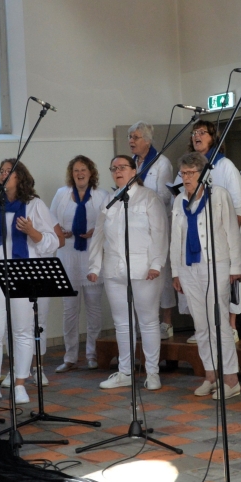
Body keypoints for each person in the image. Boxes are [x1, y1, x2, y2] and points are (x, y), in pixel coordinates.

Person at [0, 159, 59, 405]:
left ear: (20, 177)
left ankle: (20, 384)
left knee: (22, 330)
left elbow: (53, 242)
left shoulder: (34, 205)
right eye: (1, 171)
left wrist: (32, 232)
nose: (4, 174)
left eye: (9, 171)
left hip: (23, 270)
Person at [87, 155, 169, 390]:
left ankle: (152, 372)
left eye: (122, 167)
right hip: (114, 269)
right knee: (122, 324)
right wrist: (94, 266)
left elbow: (160, 233)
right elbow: (98, 235)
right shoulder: (110, 200)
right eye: (113, 168)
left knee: (148, 322)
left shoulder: (148, 198)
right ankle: (125, 372)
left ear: (134, 171)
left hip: (145, 269)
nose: (117, 171)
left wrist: (157, 264)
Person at [170, 152, 241, 399]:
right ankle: (211, 376)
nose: (186, 178)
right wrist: (175, 271)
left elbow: (232, 231)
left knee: (218, 322)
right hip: (189, 267)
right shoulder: (179, 200)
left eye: (191, 173)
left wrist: (236, 267)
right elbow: (175, 239)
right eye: (183, 173)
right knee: (200, 324)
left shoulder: (219, 195)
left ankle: (231, 379)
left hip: (216, 264)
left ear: (202, 174)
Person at [172, 120, 241, 341]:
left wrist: (224, 234)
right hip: (192, 239)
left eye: (202, 132)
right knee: (199, 298)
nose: (197, 136)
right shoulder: (185, 167)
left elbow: (238, 205)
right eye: (194, 132)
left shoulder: (225, 165)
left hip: (219, 241)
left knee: (222, 295)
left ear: (213, 137)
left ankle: (230, 327)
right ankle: (203, 331)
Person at [50, 156, 111, 373]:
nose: (80, 173)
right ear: (71, 174)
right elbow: (51, 221)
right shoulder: (62, 194)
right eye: (76, 170)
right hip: (68, 255)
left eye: (83, 169)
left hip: (92, 255)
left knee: (94, 309)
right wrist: (61, 232)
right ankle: (70, 357)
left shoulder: (102, 195)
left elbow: (110, 222)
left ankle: (92, 355)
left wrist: (97, 231)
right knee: (69, 310)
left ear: (91, 172)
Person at [128, 121, 177, 340]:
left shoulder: (161, 163)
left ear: (147, 141)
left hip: (156, 222)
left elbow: (166, 196)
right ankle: (146, 320)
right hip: (136, 225)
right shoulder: (130, 162)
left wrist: (141, 191)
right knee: (140, 272)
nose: (131, 141)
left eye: (135, 137)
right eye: (130, 137)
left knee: (161, 274)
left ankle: (166, 322)